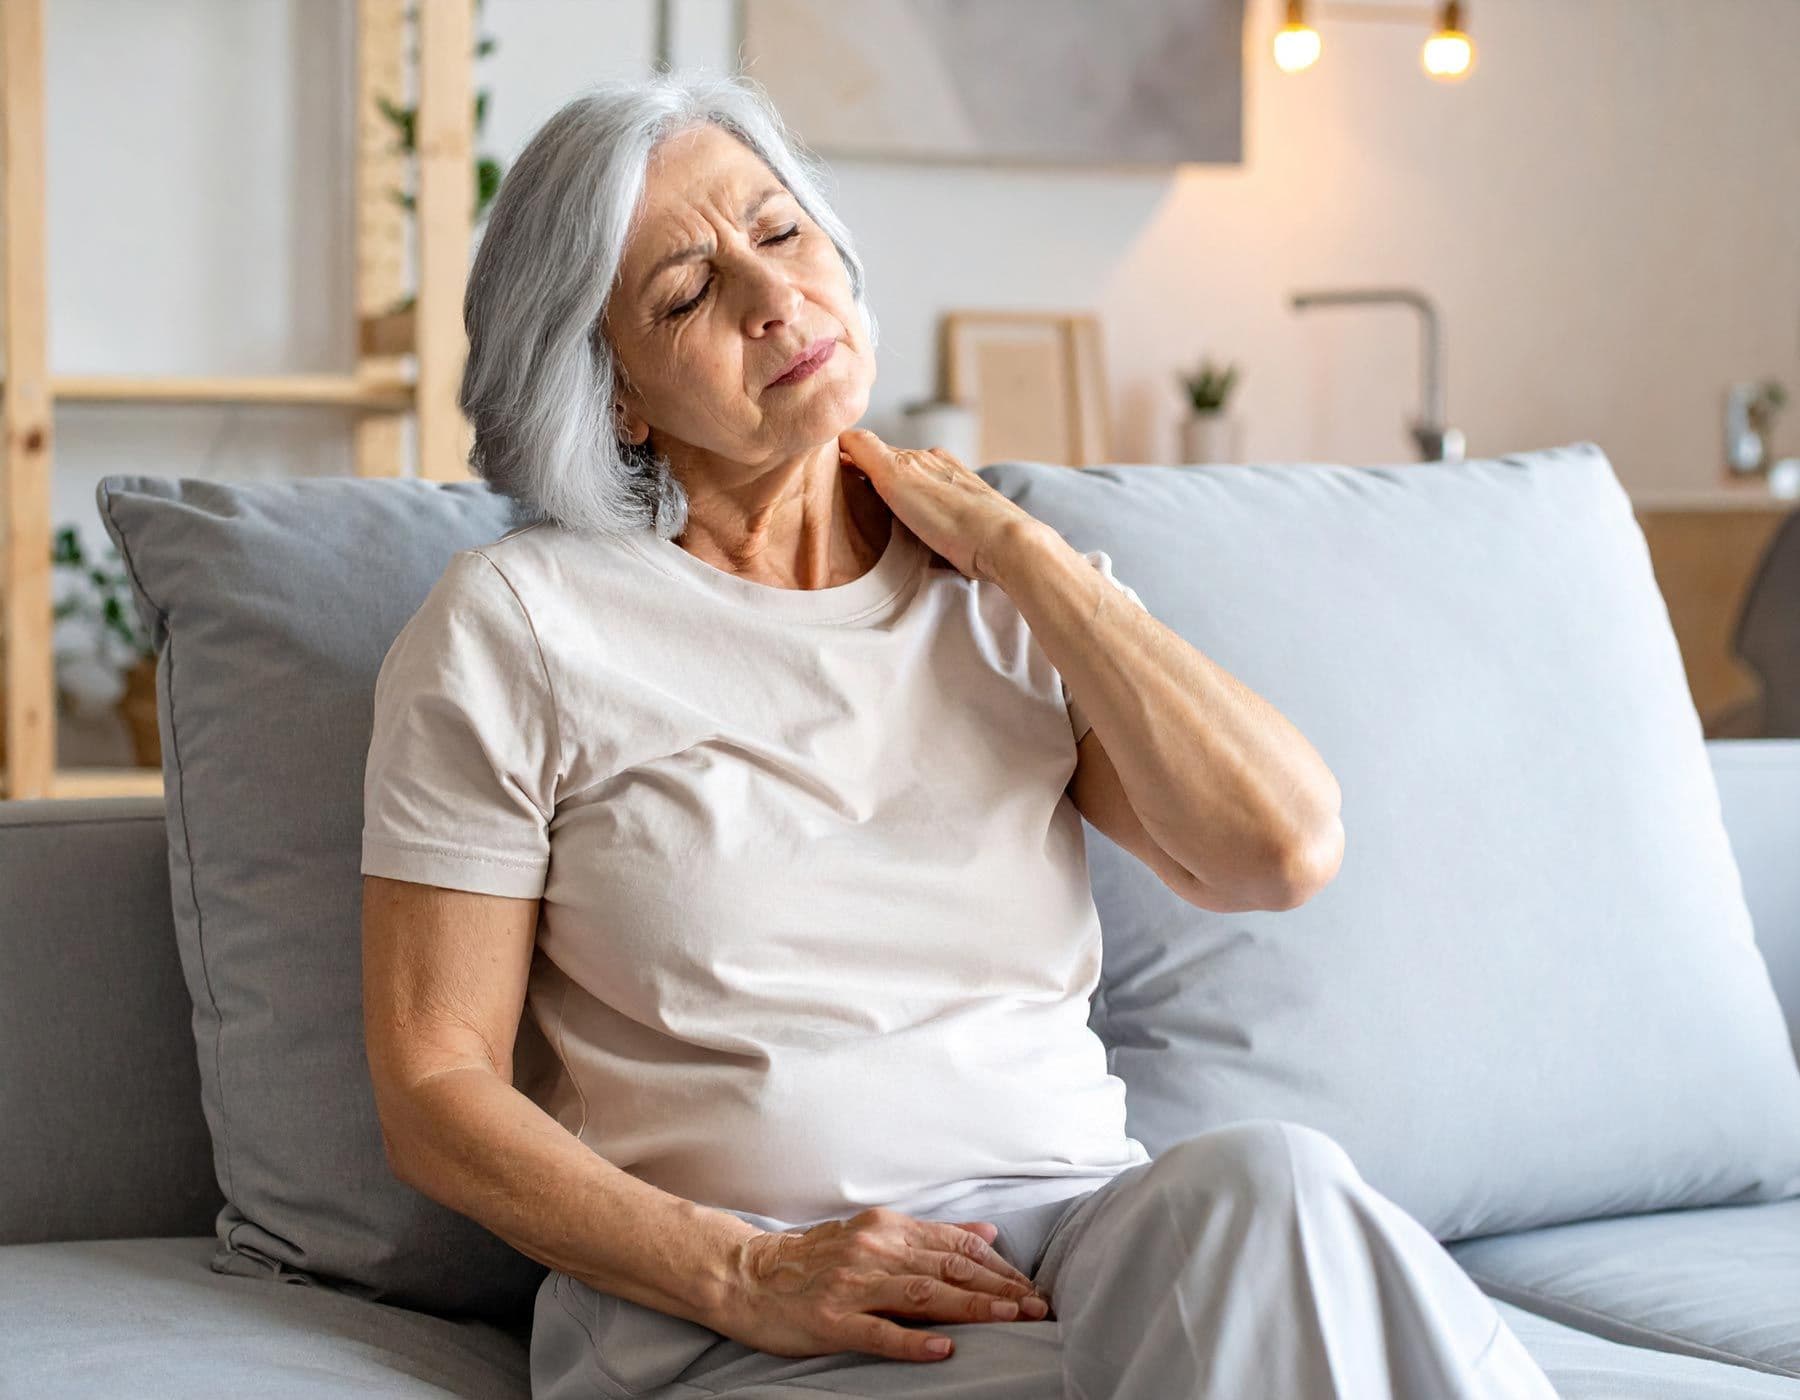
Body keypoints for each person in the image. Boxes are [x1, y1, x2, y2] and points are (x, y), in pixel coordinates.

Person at [358, 70, 1559, 1400]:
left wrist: (1025, 556)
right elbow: (434, 1081)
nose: (773, 298)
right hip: (758, 1310)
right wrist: (745, 1272)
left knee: (1273, 1184)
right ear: (615, 395)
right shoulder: (519, 626)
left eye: (782, 232)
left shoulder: (1002, 589)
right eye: (688, 295)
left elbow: (1279, 852)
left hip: (1083, 1246)